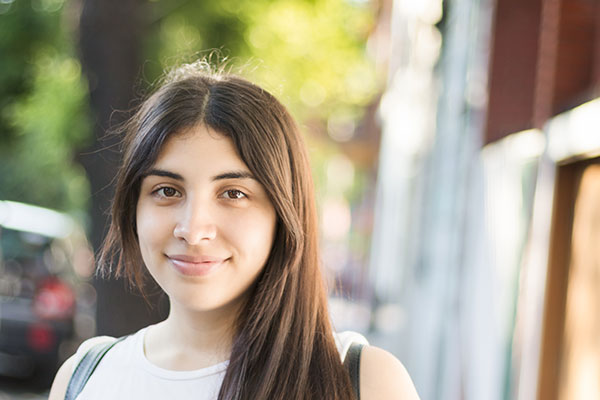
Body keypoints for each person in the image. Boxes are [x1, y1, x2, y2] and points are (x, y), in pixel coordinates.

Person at [48, 61, 420, 400]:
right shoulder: (84, 377)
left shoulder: (362, 381)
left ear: (284, 213)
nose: (193, 230)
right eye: (167, 191)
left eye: (233, 193)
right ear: (133, 207)